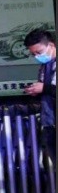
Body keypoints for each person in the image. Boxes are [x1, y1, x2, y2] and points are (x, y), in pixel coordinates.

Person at [24, 29, 56, 167]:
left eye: (39, 52)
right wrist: (37, 92)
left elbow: (49, 88)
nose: (37, 56)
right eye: (33, 54)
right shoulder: (44, 66)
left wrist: (45, 88)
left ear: (51, 45)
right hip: (50, 122)